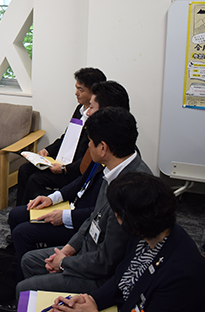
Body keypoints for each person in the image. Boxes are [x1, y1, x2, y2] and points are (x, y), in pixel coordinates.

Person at [4, 82, 131, 294]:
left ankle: (23, 286)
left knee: (23, 234)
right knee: (18, 215)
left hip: (89, 248)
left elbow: (105, 252)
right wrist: (52, 198)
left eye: (91, 107)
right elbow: (83, 185)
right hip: (79, 220)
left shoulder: (119, 166)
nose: (87, 112)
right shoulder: (106, 147)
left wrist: (63, 223)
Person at [15, 108, 152, 298]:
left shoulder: (133, 188)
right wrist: (69, 249)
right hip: (87, 251)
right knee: (29, 260)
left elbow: (107, 261)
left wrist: (64, 263)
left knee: (23, 289)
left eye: (90, 142)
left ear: (102, 148)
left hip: (101, 276)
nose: (87, 146)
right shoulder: (114, 168)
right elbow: (93, 218)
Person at [51, 172, 205, 312]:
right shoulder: (146, 235)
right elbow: (122, 278)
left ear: (130, 220)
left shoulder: (181, 274)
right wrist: (92, 300)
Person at [16, 68, 106, 206]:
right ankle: (22, 209)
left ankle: (35, 211)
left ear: (93, 92)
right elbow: (67, 136)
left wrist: (64, 169)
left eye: (80, 90)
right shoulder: (79, 109)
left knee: (35, 179)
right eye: (76, 88)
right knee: (24, 170)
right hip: (62, 161)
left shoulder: (98, 118)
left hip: (74, 169)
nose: (76, 93)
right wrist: (48, 151)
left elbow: (87, 159)